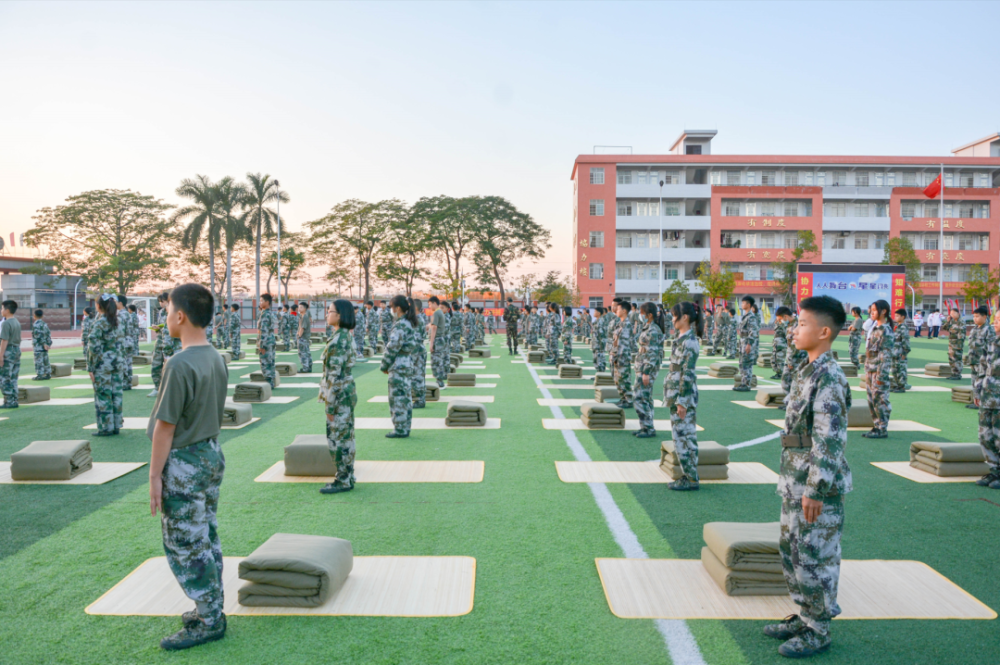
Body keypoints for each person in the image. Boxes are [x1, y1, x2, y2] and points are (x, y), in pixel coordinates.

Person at [766, 295, 851, 659]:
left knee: (815, 557)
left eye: (802, 323)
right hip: (795, 479)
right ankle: (805, 616)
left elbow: (829, 438)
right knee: (793, 552)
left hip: (816, 486)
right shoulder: (808, 367)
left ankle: (819, 628)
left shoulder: (829, 376)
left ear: (825, 332)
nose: (794, 329)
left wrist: (815, 489)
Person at [147, 283, 228, 651]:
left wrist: (154, 477)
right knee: (205, 535)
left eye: (167, 312)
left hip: (184, 462)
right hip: (210, 455)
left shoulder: (179, 363)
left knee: (186, 543)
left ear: (180, 316)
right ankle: (211, 608)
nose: (166, 318)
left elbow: (165, 429)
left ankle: (210, 619)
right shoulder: (215, 355)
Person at [318, 300, 357, 495]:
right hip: (345, 392)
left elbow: (334, 375)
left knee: (338, 439)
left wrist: (330, 405)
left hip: (339, 395)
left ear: (339, 315)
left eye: (330, 311)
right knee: (346, 436)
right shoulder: (342, 336)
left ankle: (343, 479)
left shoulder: (339, 339)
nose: (327, 314)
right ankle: (347, 475)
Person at [663, 301, 702, 490]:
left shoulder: (690, 341)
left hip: (682, 397)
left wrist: (682, 402)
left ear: (684, 317)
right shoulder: (681, 339)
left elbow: (688, 374)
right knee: (679, 438)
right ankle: (688, 475)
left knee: (685, 437)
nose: (672, 319)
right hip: (675, 395)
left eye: (674, 315)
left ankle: (692, 478)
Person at [381, 295, 418, 438]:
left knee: (397, 398)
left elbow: (392, 347)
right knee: (405, 397)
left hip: (398, 364)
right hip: (406, 363)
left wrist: (384, 364)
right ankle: (404, 427)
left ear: (397, 308)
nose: (391, 310)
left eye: (391, 307)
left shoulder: (401, 324)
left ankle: (400, 429)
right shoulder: (408, 322)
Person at [88, 294, 122, 432]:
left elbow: (93, 347)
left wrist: (91, 367)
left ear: (98, 306)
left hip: (103, 364)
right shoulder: (117, 321)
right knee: (116, 395)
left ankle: (106, 427)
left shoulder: (100, 323)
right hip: (117, 363)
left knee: (103, 395)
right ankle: (116, 425)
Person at [632, 302, 664, 439]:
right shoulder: (647, 328)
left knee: (640, 397)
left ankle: (648, 428)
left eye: (642, 313)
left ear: (649, 315)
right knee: (645, 398)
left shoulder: (653, 330)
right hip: (642, 367)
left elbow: (653, 353)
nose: (640, 315)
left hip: (646, 369)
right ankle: (645, 426)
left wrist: (646, 372)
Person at [864, 300, 894, 438]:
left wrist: (881, 375)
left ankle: (882, 428)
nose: (872, 312)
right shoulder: (874, 328)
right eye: (871, 310)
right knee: (871, 399)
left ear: (883, 312)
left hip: (878, 371)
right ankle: (876, 426)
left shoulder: (885, 331)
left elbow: (885, 355)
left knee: (880, 399)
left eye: (875, 310)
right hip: (870, 369)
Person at [151, 292, 182, 397]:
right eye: (159, 301)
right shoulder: (161, 312)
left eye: (162, 301)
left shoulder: (177, 312)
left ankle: (173, 389)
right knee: (156, 364)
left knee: (173, 367)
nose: (161, 304)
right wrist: (158, 328)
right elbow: (164, 328)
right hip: (161, 340)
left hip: (174, 342)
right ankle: (157, 387)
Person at [966, 306, 994, 410]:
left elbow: (991, 347)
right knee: (974, 381)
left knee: (982, 381)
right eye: (974, 316)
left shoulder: (989, 329)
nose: (975, 318)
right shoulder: (974, 329)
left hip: (982, 361)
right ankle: (976, 401)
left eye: (977, 316)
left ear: (985, 317)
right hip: (973, 360)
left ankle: (983, 401)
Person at [734, 296, 760, 392]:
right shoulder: (745, 316)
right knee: (742, 364)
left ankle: (746, 384)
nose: (742, 304)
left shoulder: (751, 317)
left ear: (748, 305)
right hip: (742, 342)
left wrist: (749, 344)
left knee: (747, 364)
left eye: (744, 303)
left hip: (747, 343)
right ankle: (743, 382)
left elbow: (753, 331)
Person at [0, 300, 23, 408]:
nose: (1, 310)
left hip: (8, 351)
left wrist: (0, 356)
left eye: (2, 308)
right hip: (17, 350)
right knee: (13, 377)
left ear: (7, 310)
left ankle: (8, 401)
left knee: (4, 377)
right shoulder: (16, 322)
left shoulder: (6, 323)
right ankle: (14, 400)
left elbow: (4, 340)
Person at [612, 301, 634, 408]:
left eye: (618, 309)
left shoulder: (626, 325)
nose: (616, 310)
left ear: (624, 311)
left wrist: (619, 357)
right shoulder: (619, 324)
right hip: (617, 356)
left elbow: (623, 344)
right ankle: (622, 398)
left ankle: (628, 400)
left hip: (622, 357)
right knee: (618, 380)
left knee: (624, 379)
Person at [256, 294, 278, 388]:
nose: (260, 303)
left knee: (265, 362)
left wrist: (261, 345)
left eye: (261, 301)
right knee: (271, 361)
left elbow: (263, 331)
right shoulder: (270, 313)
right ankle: (271, 381)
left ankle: (269, 382)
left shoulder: (265, 314)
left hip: (266, 342)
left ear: (267, 302)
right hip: (271, 340)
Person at [428, 296, 449, 389]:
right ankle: (439, 381)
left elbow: (434, 328)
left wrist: (431, 342)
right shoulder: (440, 312)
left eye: (430, 304)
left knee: (437, 361)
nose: (429, 306)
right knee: (438, 360)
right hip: (440, 339)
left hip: (437, 339)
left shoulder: (436, 313)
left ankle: (440, 382)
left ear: (434, 303)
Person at [941, 308, 966, 379]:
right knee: (951, 359)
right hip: (951, 343)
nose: (952, 315)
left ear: (958, 313)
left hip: (957, 344)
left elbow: (961, 335)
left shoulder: (961, 322)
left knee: (957, 359)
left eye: (953, 313)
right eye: (951, 314)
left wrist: (959, 345)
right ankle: (953, 373)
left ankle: (957, 374)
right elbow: (945, 328)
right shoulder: (952, 321)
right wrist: (948, 321)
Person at [411, 298, 427, 409]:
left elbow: (415, 339)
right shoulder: (419, 318)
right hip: (420, 349)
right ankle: (420, 399)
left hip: (417, 351)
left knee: (417, 377)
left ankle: (420, 400)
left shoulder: (416, 319)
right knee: (419, 376)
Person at [117, 295, 136, 390]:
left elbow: (120, 331)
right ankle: (128, 382)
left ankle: (124, 383)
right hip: (129, 340)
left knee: (123, 362)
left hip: (123, 341)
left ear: (120, 303)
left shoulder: (121, 314)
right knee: (128, 363)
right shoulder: (128, 314)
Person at [890, 308, 911, 393]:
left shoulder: (903, 327)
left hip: (900, 352)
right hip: (894, 352)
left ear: (903, 317)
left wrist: (905, 352)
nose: (896, 317)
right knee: (894, 370)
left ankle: (902, 386)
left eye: (898, 316)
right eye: (895, 315)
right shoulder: (897, 327)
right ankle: (896, 385)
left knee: (901, 370)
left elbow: (905, 340)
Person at [771, 307, 792, 380]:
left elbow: (786, 334)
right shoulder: (778, 324)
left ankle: (781, 373)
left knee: (780, 359)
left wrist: (782, 324)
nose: (778, 320)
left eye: (780, 319)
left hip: (782, 344)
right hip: (776, 344)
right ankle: (777, 373)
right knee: (774, 359)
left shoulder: (787, 325)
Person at [31, 309, 53, 380]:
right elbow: (48, 334)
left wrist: (43, 343)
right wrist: (48, 344)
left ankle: (40, 374)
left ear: (34, 316)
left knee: (38, 360)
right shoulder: (44, 324)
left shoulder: (36, 324)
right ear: (42, 316)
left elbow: (38, 336)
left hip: (38, 346)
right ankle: (48, 373)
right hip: (45, 346)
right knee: (45, 360)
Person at [297, 301, 313, 373]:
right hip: (305, 337)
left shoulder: (304, 317)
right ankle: (308, 366)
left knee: (303, 353)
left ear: (305, 308)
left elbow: (302, 328)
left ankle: (305, 368)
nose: (299, 309)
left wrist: (299, 336)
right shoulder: (302, 316)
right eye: (299, 307)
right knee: (307, 352)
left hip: (303, 337)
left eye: (301, 307)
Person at [591, 306, 607, 372]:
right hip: (595, 344)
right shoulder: (596, 321)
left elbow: (601, 335)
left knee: (599, 360)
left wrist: (601, 347)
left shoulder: (600, 322)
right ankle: (599, 374)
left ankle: (601, 374)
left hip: (599, 345)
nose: (594, 313)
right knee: (596, 360)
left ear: (599, 313)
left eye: (595, 311)